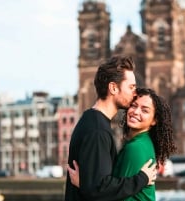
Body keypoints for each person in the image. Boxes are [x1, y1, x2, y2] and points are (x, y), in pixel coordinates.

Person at [64, 56, 157, 201]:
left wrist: (85, 184)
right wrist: (142, 179)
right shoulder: (97, 130)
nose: (135, 93)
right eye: (131, 87)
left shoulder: (94, 121)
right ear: (113, 88)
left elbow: (95, 186)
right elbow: (98, 188)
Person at [68, 87, 177, 201]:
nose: (135, 112)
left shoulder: (135, 148)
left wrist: (83, 185)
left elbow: (117, 197)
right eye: (134, 105)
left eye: (144, 110)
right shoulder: (144, 142)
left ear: (154, 120)